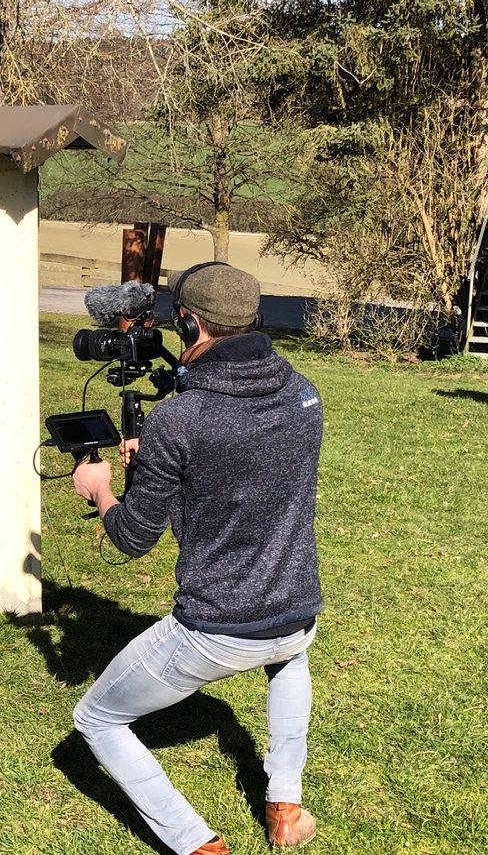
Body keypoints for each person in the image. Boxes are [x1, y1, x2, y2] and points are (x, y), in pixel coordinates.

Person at [70, 262, 324, 855]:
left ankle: (196, 843)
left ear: (188, 322)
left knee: (97, 719)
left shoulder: (179, 420)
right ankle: (285, 809)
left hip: (214, 626)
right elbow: (244, 472)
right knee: (290, 660)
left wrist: (103, 489)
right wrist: (162, 464)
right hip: (295, 611)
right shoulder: (304, 394)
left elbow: (134, 537)